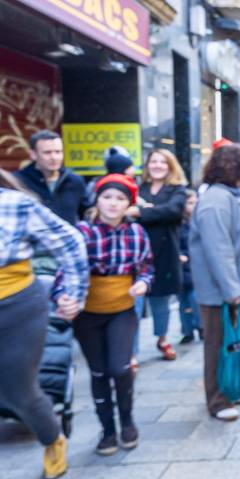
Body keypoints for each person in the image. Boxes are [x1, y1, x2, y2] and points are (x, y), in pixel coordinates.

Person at [0, 169, 88, 479]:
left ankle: (52, 438)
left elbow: (71, 242)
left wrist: (74, 294)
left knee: (19, 390)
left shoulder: (15, 204)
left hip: (16, 307)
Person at [74, 174, 153, 455]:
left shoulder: (137, 232)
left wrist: (143, 282)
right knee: (98, 371)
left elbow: (146, 267)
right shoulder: (82, 232)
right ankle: (107, 429)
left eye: (120, 198)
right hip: (87, 312)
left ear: (128, 204)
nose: (112, 203)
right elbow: (68, 269)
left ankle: (127, 421)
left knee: (120, 368)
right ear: (97, 200)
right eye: (107, 197)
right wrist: (64, 296)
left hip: (122, 309)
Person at [189, 143, 240, 422]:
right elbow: (218, 249)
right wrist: (232, 291)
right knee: (218, 345)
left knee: (236, 342)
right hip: (221, 292)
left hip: (237, 286)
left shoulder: (233, 196)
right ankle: (217, 399)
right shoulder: (216, 200)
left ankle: (233, 387)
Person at [129, 148, 189, 361]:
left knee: (161, 301)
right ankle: (132, 352)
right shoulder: (138, 188)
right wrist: (154, 211)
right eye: (153, 161)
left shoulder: (178, 190)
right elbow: (128, 212)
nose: (157, 166)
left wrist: (141, 211)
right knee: (134, 304)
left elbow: (172, 211)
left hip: (165, 253)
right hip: (137, 253)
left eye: (163, 162)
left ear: (170, 166)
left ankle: (162, 339)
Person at [17, 130, 87, 224]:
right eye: (47, 152)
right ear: (33, 154)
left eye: (58, 152)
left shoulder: (75, 181)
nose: (54, 157)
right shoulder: (18, 181)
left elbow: (86, 214)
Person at [177, 189, 202, 344]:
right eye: (190, 203)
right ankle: (187, 330)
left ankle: (201, 326)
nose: (193, 206)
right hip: (182, 268)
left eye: (195, 202)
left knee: (195, 299)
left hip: (196, 267)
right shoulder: (178, 224)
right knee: (183, 302)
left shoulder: (200, 221)